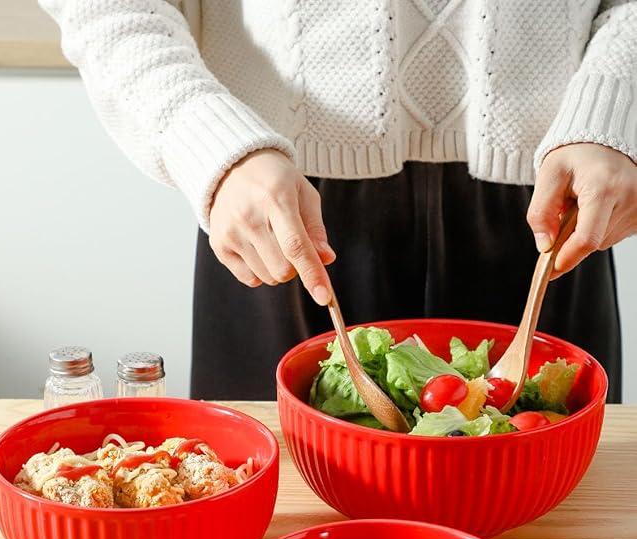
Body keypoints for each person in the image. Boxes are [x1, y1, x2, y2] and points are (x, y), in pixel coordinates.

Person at [40, 1, 637, 402]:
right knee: (270, 522)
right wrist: (205, 138)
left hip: (560, 197)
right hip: (274, 204)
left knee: (568, 533)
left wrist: (617, 104)